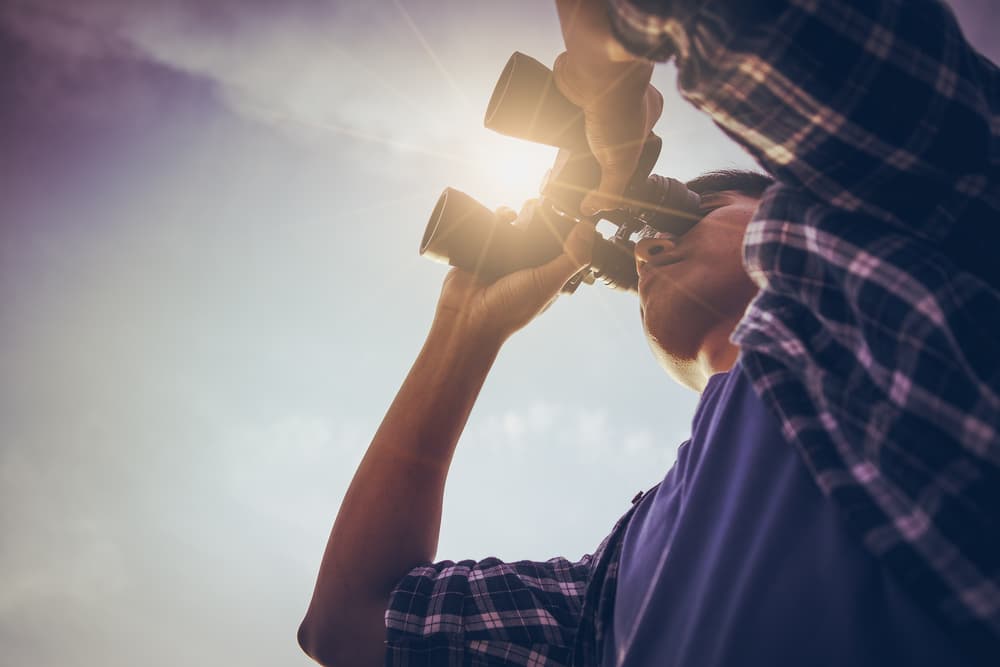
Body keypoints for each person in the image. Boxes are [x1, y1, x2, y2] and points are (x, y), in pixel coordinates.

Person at [297, 0, 999, 664]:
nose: (645, 248)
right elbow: (353, 620)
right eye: (626, 268)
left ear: (787, 203)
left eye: (696, 208)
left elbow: (821, 41)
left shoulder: (902, 240)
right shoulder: (614, 582)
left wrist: (608, 84)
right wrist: (466, 329)